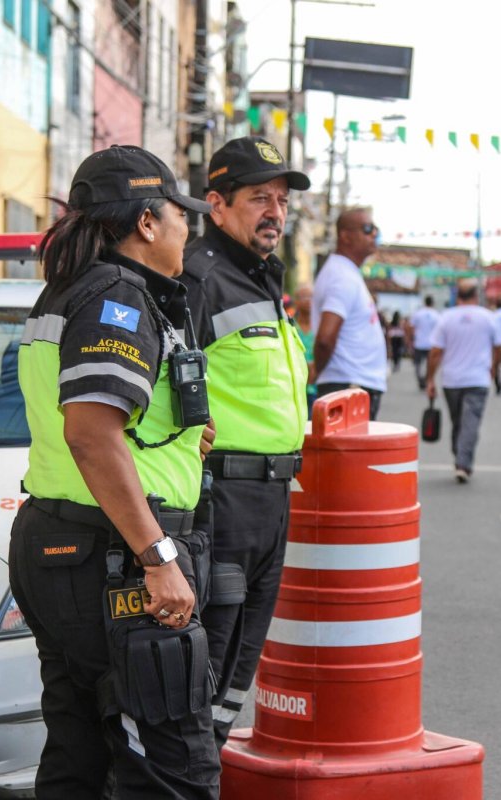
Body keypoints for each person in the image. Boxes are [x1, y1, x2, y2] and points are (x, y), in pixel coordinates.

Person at [8, 145, 218, 798]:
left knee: (80, 757)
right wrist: (156, 555)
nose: (188, 229)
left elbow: (105, 422)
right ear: (147, 223)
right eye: (179, 214)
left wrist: (180, 442)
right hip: (114, 557)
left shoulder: (68, 288)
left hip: (62, 546)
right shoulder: (118, 296)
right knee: (173, 769)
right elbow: (92, 435)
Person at [178, 136, 311, 746]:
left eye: (281, 200)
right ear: (216, 204)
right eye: (260, 197)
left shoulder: (259, 283)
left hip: (272, 503)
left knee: (236, 678)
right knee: (203, 674)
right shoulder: (200, 278)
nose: (275, 212)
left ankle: (208, 772)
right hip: (221, 503)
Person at [426, 280, 501, 483]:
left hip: (452, 380)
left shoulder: (446, 318)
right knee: (468, 423)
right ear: (476, 296)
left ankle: (461, 460)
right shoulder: (488, 318)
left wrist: (430, 379)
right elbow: (499, 347)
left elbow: (435, 352)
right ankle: (462, 459)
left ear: (457, 296)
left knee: (459, 422)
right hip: (478, 379)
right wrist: (494, 368)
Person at [313, 208, 388, 418]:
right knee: (349, 451)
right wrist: (318, 371)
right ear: (345, 235)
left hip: (351, 385)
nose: (374, 234)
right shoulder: (341, 276)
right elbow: (326, 338)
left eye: (375, 229)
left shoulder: (347, 272)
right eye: (367, 229)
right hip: (348, 387)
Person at [294, 284, 318, 413]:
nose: (308, 300)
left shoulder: (321, 326)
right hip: (296, 388)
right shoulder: (290, 326)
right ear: (296, 301)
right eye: (304, 297)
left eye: (311, 297)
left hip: (317, 388)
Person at [408, 296, 439, 391]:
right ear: (433, 303)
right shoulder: (436, 315)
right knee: (429, 364)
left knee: (418, 363)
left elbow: (411, 327)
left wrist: (411, 339)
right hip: (431, 344)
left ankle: (420, 378)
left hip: (419, 343)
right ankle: (426, 379)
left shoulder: (418, 313)